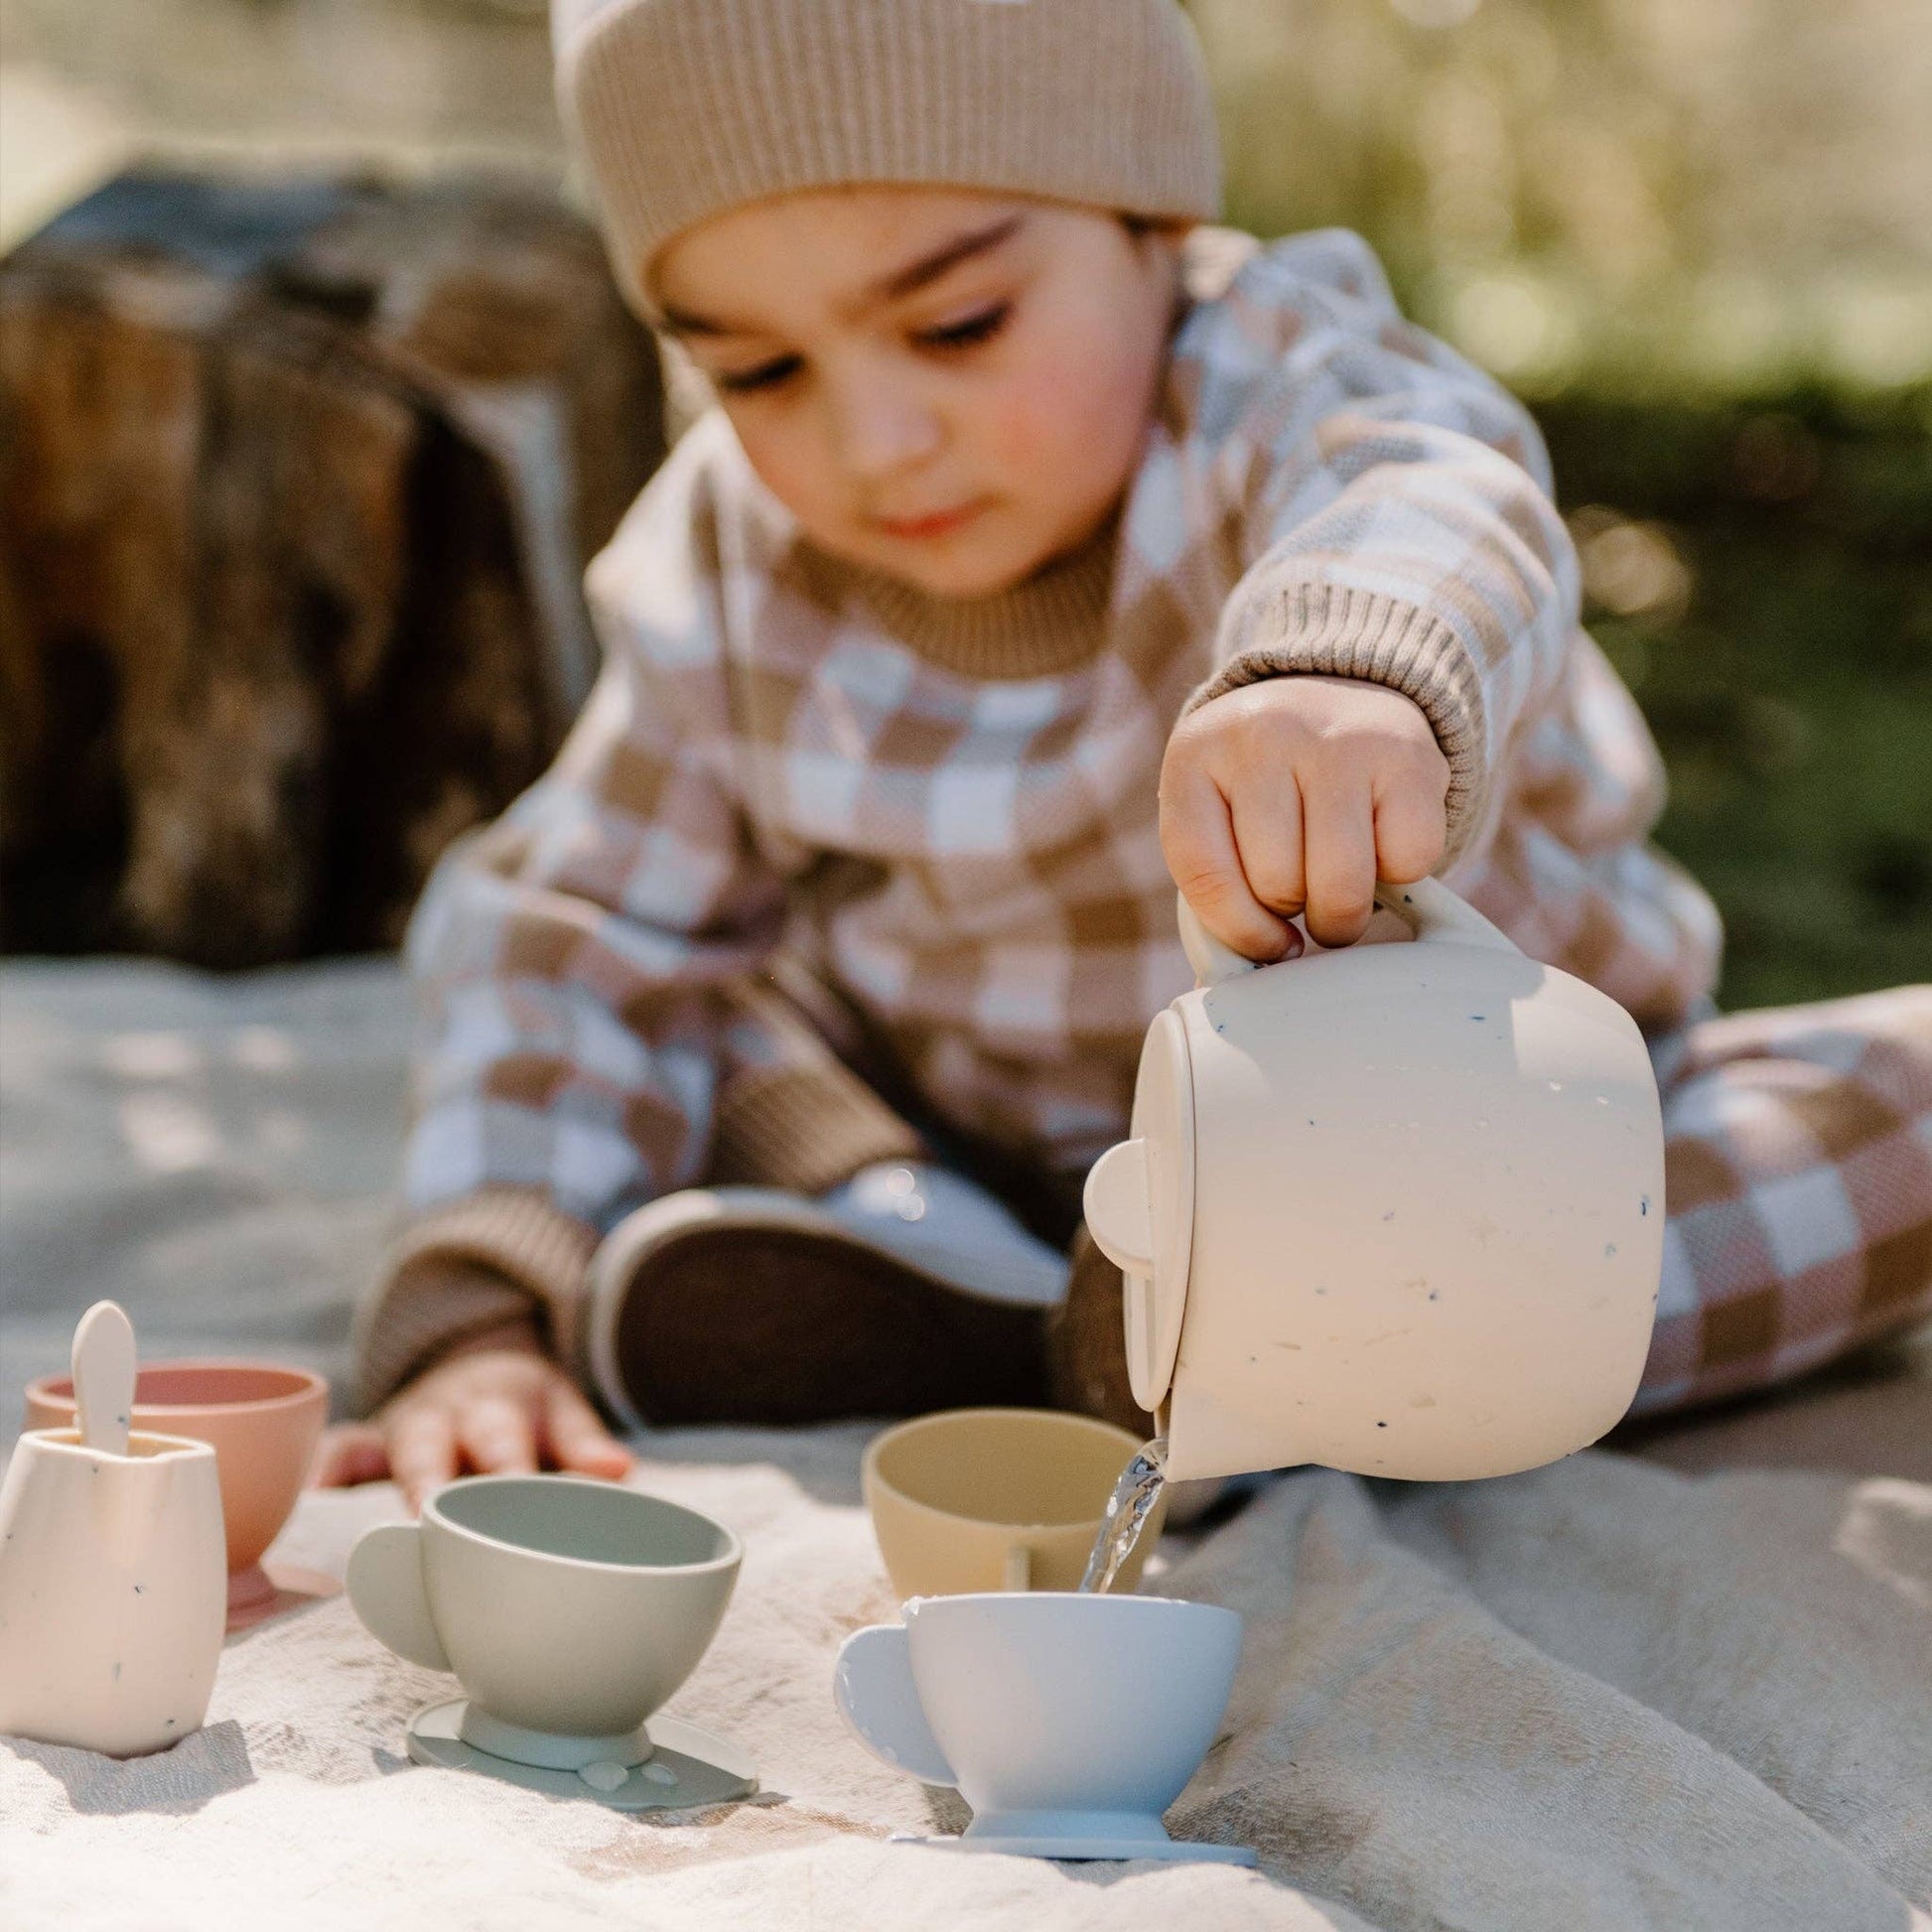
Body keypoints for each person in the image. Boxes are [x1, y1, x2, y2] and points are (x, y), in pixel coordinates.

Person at [315, 0, 1931, 1509]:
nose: (872, 441)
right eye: (754, 369)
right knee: (696, 992)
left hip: (1464, 1153)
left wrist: (1344, 661)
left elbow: (1437, 482)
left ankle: (1195, 1337)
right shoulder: (733, 563)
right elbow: (580, 931)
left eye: (955, 323)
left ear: (1151, 221)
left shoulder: (1273, 377)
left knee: (1854, 1134)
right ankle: (999, 1285)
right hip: (995, 1158)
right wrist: (474, 1309)